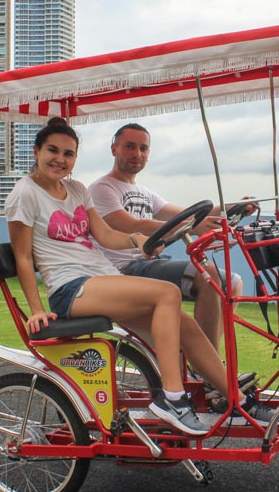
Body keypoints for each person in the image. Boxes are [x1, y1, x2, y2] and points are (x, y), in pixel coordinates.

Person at [5, 118, 279, 436]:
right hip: (71, 287)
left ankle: (237, 401)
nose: (60, 159)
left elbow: (106, 236)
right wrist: (37, 309)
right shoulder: (25, 194)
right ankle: (173, 399)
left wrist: (134, 238)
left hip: (101, 278)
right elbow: (24, 258)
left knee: (185, 324)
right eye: (53, 150)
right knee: (167, 293)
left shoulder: (77, 189)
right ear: (37, 151)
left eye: (68, 154)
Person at [88, 123, 250, 351]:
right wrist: (193, 227)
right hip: (123, 269)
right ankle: (208, 370)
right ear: (114, 149)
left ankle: (203, 356)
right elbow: (132, 224)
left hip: (148, 264)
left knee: (232, 284)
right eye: (130, 147)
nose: (137, 154)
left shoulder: (145, 193)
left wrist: (235, 207)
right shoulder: (102, 189)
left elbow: (186, 213)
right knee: (208, 275)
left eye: (143, 148)